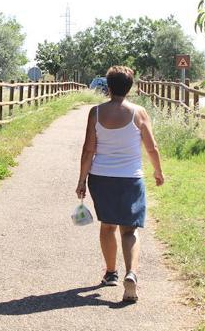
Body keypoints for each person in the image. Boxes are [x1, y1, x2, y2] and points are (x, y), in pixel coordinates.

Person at [75, 66, 164, 303]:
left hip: (101, 178)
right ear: (130, 87)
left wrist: (82, 179)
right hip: (131, 179)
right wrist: (158, 171)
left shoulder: (95, 112)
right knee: (130, 229)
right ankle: (131, 274)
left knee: (108, 226)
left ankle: (111, 273)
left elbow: (88, 149)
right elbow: (151, 147)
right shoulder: (139, 112)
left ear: (108, 86)